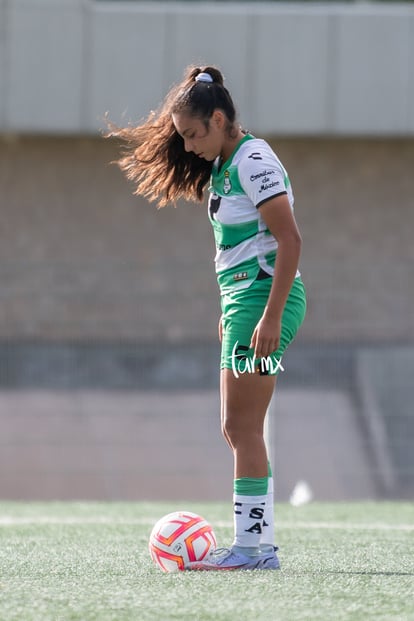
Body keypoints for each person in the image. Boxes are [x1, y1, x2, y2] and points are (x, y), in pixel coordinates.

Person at [107, 65, 306, 570]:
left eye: (194, 134)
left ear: (219, 119)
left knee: (242, 427)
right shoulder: (224, 164)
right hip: (243, 302)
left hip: (263, 300)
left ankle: (250, 551)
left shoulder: (253, 159)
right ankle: (257, 548)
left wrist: (269, 316)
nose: (189, 146)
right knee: (236, 427)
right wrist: (231, 313)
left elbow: (290, 240)